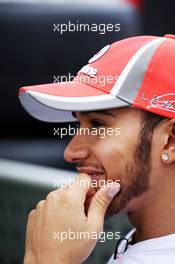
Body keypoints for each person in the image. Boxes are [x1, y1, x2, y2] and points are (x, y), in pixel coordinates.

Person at [19, 34, 175, 263]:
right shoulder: (149, 243)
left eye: (98, 125)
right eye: (79, 125)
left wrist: (49, 259)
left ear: (170, 141)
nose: (71, 153)